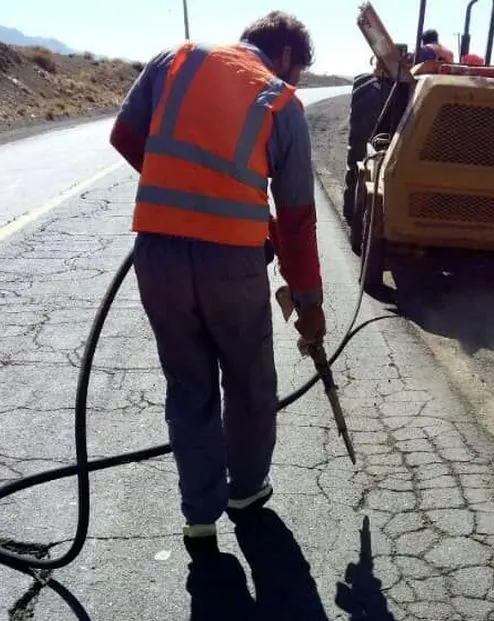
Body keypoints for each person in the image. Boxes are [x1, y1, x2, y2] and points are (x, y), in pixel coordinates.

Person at [109, 12, 325, 558]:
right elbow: (297, 218)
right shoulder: (280, 101)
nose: (294, 81)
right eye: (296, 72)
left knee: (189, 385)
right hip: (232, 262)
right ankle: (247, 492)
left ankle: (199, 518)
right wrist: (309, 301)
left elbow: (126, 135)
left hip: (157, 253)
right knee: (250, 381)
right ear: (284, 58)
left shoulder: (174, 59)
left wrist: (181, 195)